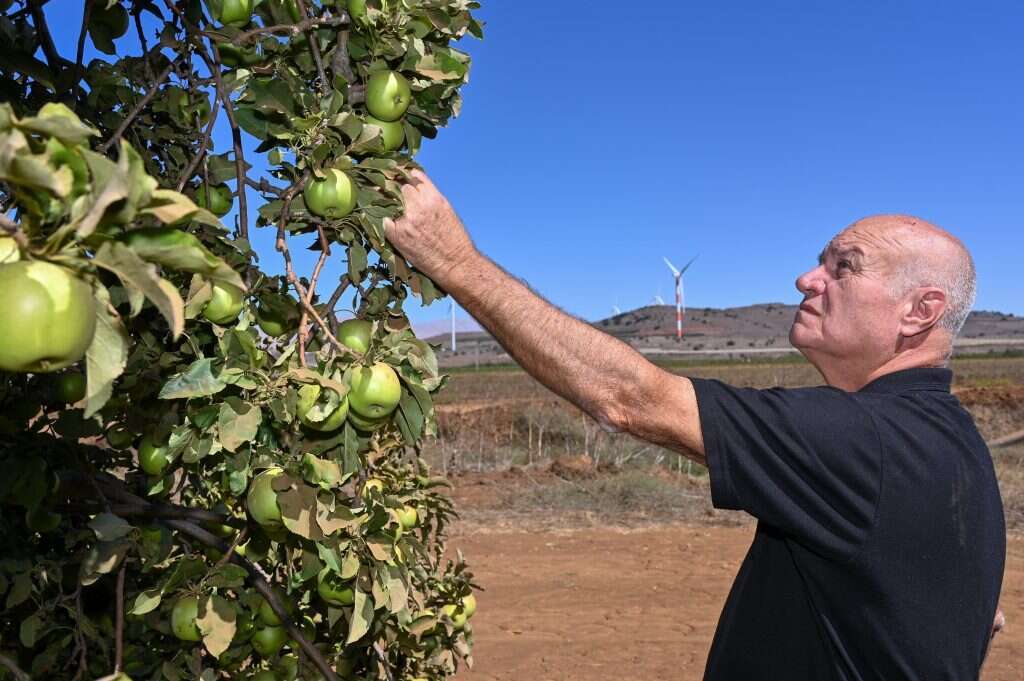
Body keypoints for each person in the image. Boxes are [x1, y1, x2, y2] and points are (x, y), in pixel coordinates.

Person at [384, 170, 1006, 680]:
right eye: (819, 261)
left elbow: (629, 399)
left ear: (919, 312)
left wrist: (455, 262)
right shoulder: (954, 444)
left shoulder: (862, 439)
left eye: (845, 267)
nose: (806, 279)